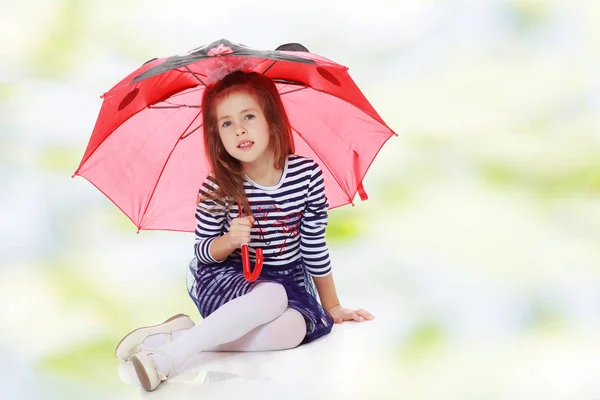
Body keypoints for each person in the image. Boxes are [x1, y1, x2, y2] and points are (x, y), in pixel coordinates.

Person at [115, 70, 374, 392]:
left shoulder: (306, 175)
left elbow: (313, 244)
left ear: (272, 121)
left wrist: (332, 306)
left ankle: (181, 337)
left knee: (291, 331)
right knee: (271, 294)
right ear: (217, 136)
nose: (239, 129)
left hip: (289, 278)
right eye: (226, 123)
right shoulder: (217, 187)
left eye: (248, 116)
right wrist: (229, 240)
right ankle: (167, 359)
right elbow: (203, 251)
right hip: (229, 279)